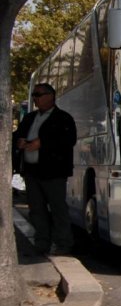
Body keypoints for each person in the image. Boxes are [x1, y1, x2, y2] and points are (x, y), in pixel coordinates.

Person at [12, 83, 77, 255]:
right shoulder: (29, 118)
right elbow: (18, 135)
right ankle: (42, 242)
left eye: (38, 94)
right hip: (32, 171)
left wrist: (42, 143)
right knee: (36, 209)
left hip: (54, 172)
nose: (35, 98)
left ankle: (63, 244)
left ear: (50, 96)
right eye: (34, 95)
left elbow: (68, 140)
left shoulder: (63, 118)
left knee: (57, 209)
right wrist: (20, 141)